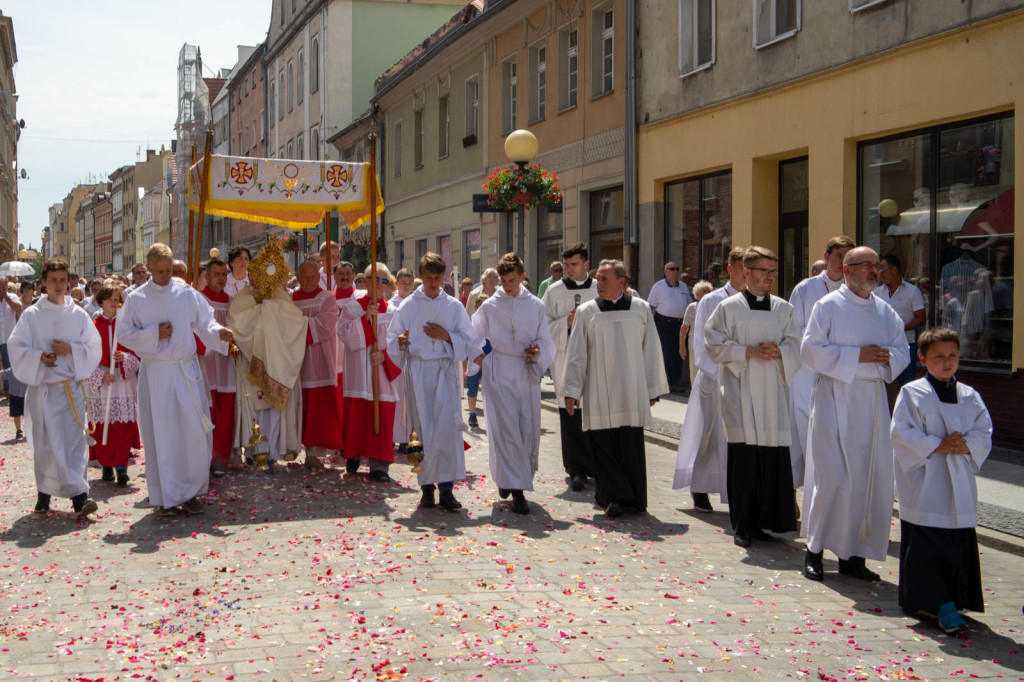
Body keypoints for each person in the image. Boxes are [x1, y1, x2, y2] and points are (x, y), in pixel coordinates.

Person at [800, 246, 909, 582]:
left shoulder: (886, 310)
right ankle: (815, 551)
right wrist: (856, 357)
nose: (875, 271)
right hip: (836, 397)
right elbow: (810, 351)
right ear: (847, 270)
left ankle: (853, 555)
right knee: (831, 476)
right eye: (867, 266)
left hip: (872, 402)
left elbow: (902, 351)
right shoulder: (828, 306)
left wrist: (883, 358)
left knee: (867, 477)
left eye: (878, 265)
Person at [118, 244, 234, 516]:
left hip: (186, 371)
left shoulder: (185, 293)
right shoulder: (137, 298)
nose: (165, 275)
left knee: (193, 431)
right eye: (159, 271)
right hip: (157, 374)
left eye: (169, 270)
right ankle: (167, 497)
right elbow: (124, 335)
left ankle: (192, 491)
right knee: (164, 434)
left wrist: (220, 332)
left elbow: (205, 322)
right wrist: (152, 333)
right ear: (148, 268)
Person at [891, 327, 992, 634]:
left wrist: (967, 444)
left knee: (956, 543)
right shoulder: (912, 393)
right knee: (929, 543)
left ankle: (954, 598)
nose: (947, 363)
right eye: (939, 357)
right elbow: (901, 433)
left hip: (958, 481)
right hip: (926, 482)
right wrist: (939, 445)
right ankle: (936, 603)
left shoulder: (970, 396)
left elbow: (983, 430)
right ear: (922, 359)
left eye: (953, 356)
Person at [704, 247, 802, 546]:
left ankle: (768, 522)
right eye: (763, 270)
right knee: (745, 461)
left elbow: (797, 344)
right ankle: (744, 526)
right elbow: (713, 344)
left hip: (773, 391)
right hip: (741, 390)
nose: (769, 276)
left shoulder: (784, 309)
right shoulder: (727, 308)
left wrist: (781, 352)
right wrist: (747, 351)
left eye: (773, 271)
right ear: (746, 272)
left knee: (771, 458)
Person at [563, 259, 668, 518]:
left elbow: (651, 350)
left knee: (629, 447)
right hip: (600, 392)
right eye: (597, 278)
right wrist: (572, 390)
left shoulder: (641, 309)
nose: (599, 283)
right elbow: (576, 353)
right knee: (603, 447)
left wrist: (652, 389)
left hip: (631, 392)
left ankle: (633, 499)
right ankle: (612, 498)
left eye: (605, 279)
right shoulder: (587, 312)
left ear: (622, 281)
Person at [7, 257, 102, 517]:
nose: (59, 285)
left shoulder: (78, 315)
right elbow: (17, 347)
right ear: (44, 283)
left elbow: (94, 347)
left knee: (73, 444)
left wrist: (71, 349)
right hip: (45, 390)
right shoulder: (32, 315)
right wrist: (39, 356)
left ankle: (80, 498)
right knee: (46, 445)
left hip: (70, 390)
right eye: (53, 281)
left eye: (63, 280)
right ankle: (44, 495)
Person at [386, 252, 475, 510]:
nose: (433, 282)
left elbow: (467, 341)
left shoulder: (454, 306)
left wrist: (447, 336)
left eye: (437, 277)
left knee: (447, 431)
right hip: (418, 371)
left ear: (444, 277)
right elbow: (393, 340)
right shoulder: (409, 306)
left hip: (444, 372)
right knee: (422, 430)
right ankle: (426, 489)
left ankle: (446, 489)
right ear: (420, 277)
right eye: (428, 278)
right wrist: (401, 344)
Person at [471, 253, 556, 514]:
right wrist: (479, 358)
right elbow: (473, 335)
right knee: (506, 429)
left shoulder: (536, 306)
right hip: (499, 373)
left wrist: (537, 349)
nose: (507, 286)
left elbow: (546, 339)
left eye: (512, 280)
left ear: (522, 277)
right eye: (504, 281)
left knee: (526, 429)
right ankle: (517, 491)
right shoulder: (490, 306)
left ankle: (511, 477)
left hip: (525, 371)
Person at [672, 246, 747, 513]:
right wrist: (720, 373)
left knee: (738, 441)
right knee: (710, 436)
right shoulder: (711, 301)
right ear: (730, 269)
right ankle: (700, 487)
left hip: (746, 383)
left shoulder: (756, 301)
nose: (747, 275)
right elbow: (701, 345)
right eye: (742, 269)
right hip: (715, 380)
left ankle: (740, 491)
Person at [788, 235, 855, 492]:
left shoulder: (856, 290)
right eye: (839, 256)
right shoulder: (805, 289)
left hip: (844, 372)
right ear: (826, 257)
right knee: (805, 433)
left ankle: (835, 492)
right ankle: (796, 490)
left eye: (848, 257)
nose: (843, 262)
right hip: (809, 373)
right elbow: (795, 331)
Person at [543, 242, 599, 491]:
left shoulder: (599, 288)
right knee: (571, 414)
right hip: (565, 358)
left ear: (586, 263)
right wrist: (565, 323)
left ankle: (596, 466)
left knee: (595, 413)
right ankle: (576, 469)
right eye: (566, 265)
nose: (569, 269)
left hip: (595, 359)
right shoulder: (554, 292)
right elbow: (542, 326)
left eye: (574, 264)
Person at [339, 262, 403, 481]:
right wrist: (365, 318)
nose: (379, 284)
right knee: (357, 417)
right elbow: (345, 336)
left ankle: (378, 466)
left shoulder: (394, 312)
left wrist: (385, 357)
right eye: (375, 279)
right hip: (358, 376)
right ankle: (354, 455)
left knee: (381, 418)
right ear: (365, 282)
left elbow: (401, 344)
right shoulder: (352, 308)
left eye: (384, 280)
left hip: (381, 377)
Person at [84, 285, 141, 487]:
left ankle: (121, 467)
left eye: (117, 299)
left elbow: (137, 354)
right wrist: (100, 375)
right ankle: (107, 465)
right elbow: (86, 357)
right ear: (100, 302)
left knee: (123, 426)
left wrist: (124, 357)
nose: (113, 302)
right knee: (102, 426)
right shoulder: (93, 326)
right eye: (109, 299)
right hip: (102, 382)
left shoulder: (125, 326)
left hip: (122, 380)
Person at [292, 260, 343, 471]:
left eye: (313, 276)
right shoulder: (289, 299)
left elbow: (325, 326)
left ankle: (316, 452)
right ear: (298, 277)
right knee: (300, 406)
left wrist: (295, 327)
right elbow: (282, 325)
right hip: (296, 361)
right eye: (305, 277)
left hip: (321, 360)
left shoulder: (327, 298)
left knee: (319, 410)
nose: (310, 280)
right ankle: (299, 447)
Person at [198, 259, 237, 476]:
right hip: (208, 364)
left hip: (228, 364)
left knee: (226, 413)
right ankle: (206, 456)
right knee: (209, 412)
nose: (221, 278)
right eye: (217, 274)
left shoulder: (232, 302)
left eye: (224, 274)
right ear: (207, 276)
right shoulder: (200, 301)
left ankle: (221, 457)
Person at [877, 252, 927, 388]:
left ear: (894, 270)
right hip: (884, 345)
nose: (880, 273)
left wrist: (900, 328)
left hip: (907, 344)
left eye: (882, 268)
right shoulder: (877, 293)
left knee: (906, 386)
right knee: (882, 385)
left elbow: (921, 318)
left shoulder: (912, 291)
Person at [647, 262, 693, 392]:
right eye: (671, 269)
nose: (675, 271)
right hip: (664, 323)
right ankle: (664, 382)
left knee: (679, 353)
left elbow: (690, 305)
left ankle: (674, 383)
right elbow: (650, 306)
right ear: (665, 271)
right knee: (666, 353)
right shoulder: (658, 286)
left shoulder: (683, 286)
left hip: (680, 324)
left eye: (677, 269)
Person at [389, 267, 416, 449]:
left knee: (411, 399)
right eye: (403, 283)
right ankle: (392, 436)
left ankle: (408, 438)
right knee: (396, 399)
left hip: (413, 355)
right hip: (396, 356)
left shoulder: (416, 303)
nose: (406, 287)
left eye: (409, 283)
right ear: (396, 284)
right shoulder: (391, 305)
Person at [679, 280, 713, 389]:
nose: (707, 293)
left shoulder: (714, 307)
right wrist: (682, 346)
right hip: (694, 342)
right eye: (704, 291)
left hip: (711, 342)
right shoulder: (692, 307)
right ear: (697, 294)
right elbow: (684, 327)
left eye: (709, 291)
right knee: (695, 369)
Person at [0, 275, 24, 397]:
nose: (1, 290)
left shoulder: (12, 297)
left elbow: (19, 308)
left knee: (8, 365)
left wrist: (6, 297)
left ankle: (9, 390)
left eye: (3, 287)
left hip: (8, 338)